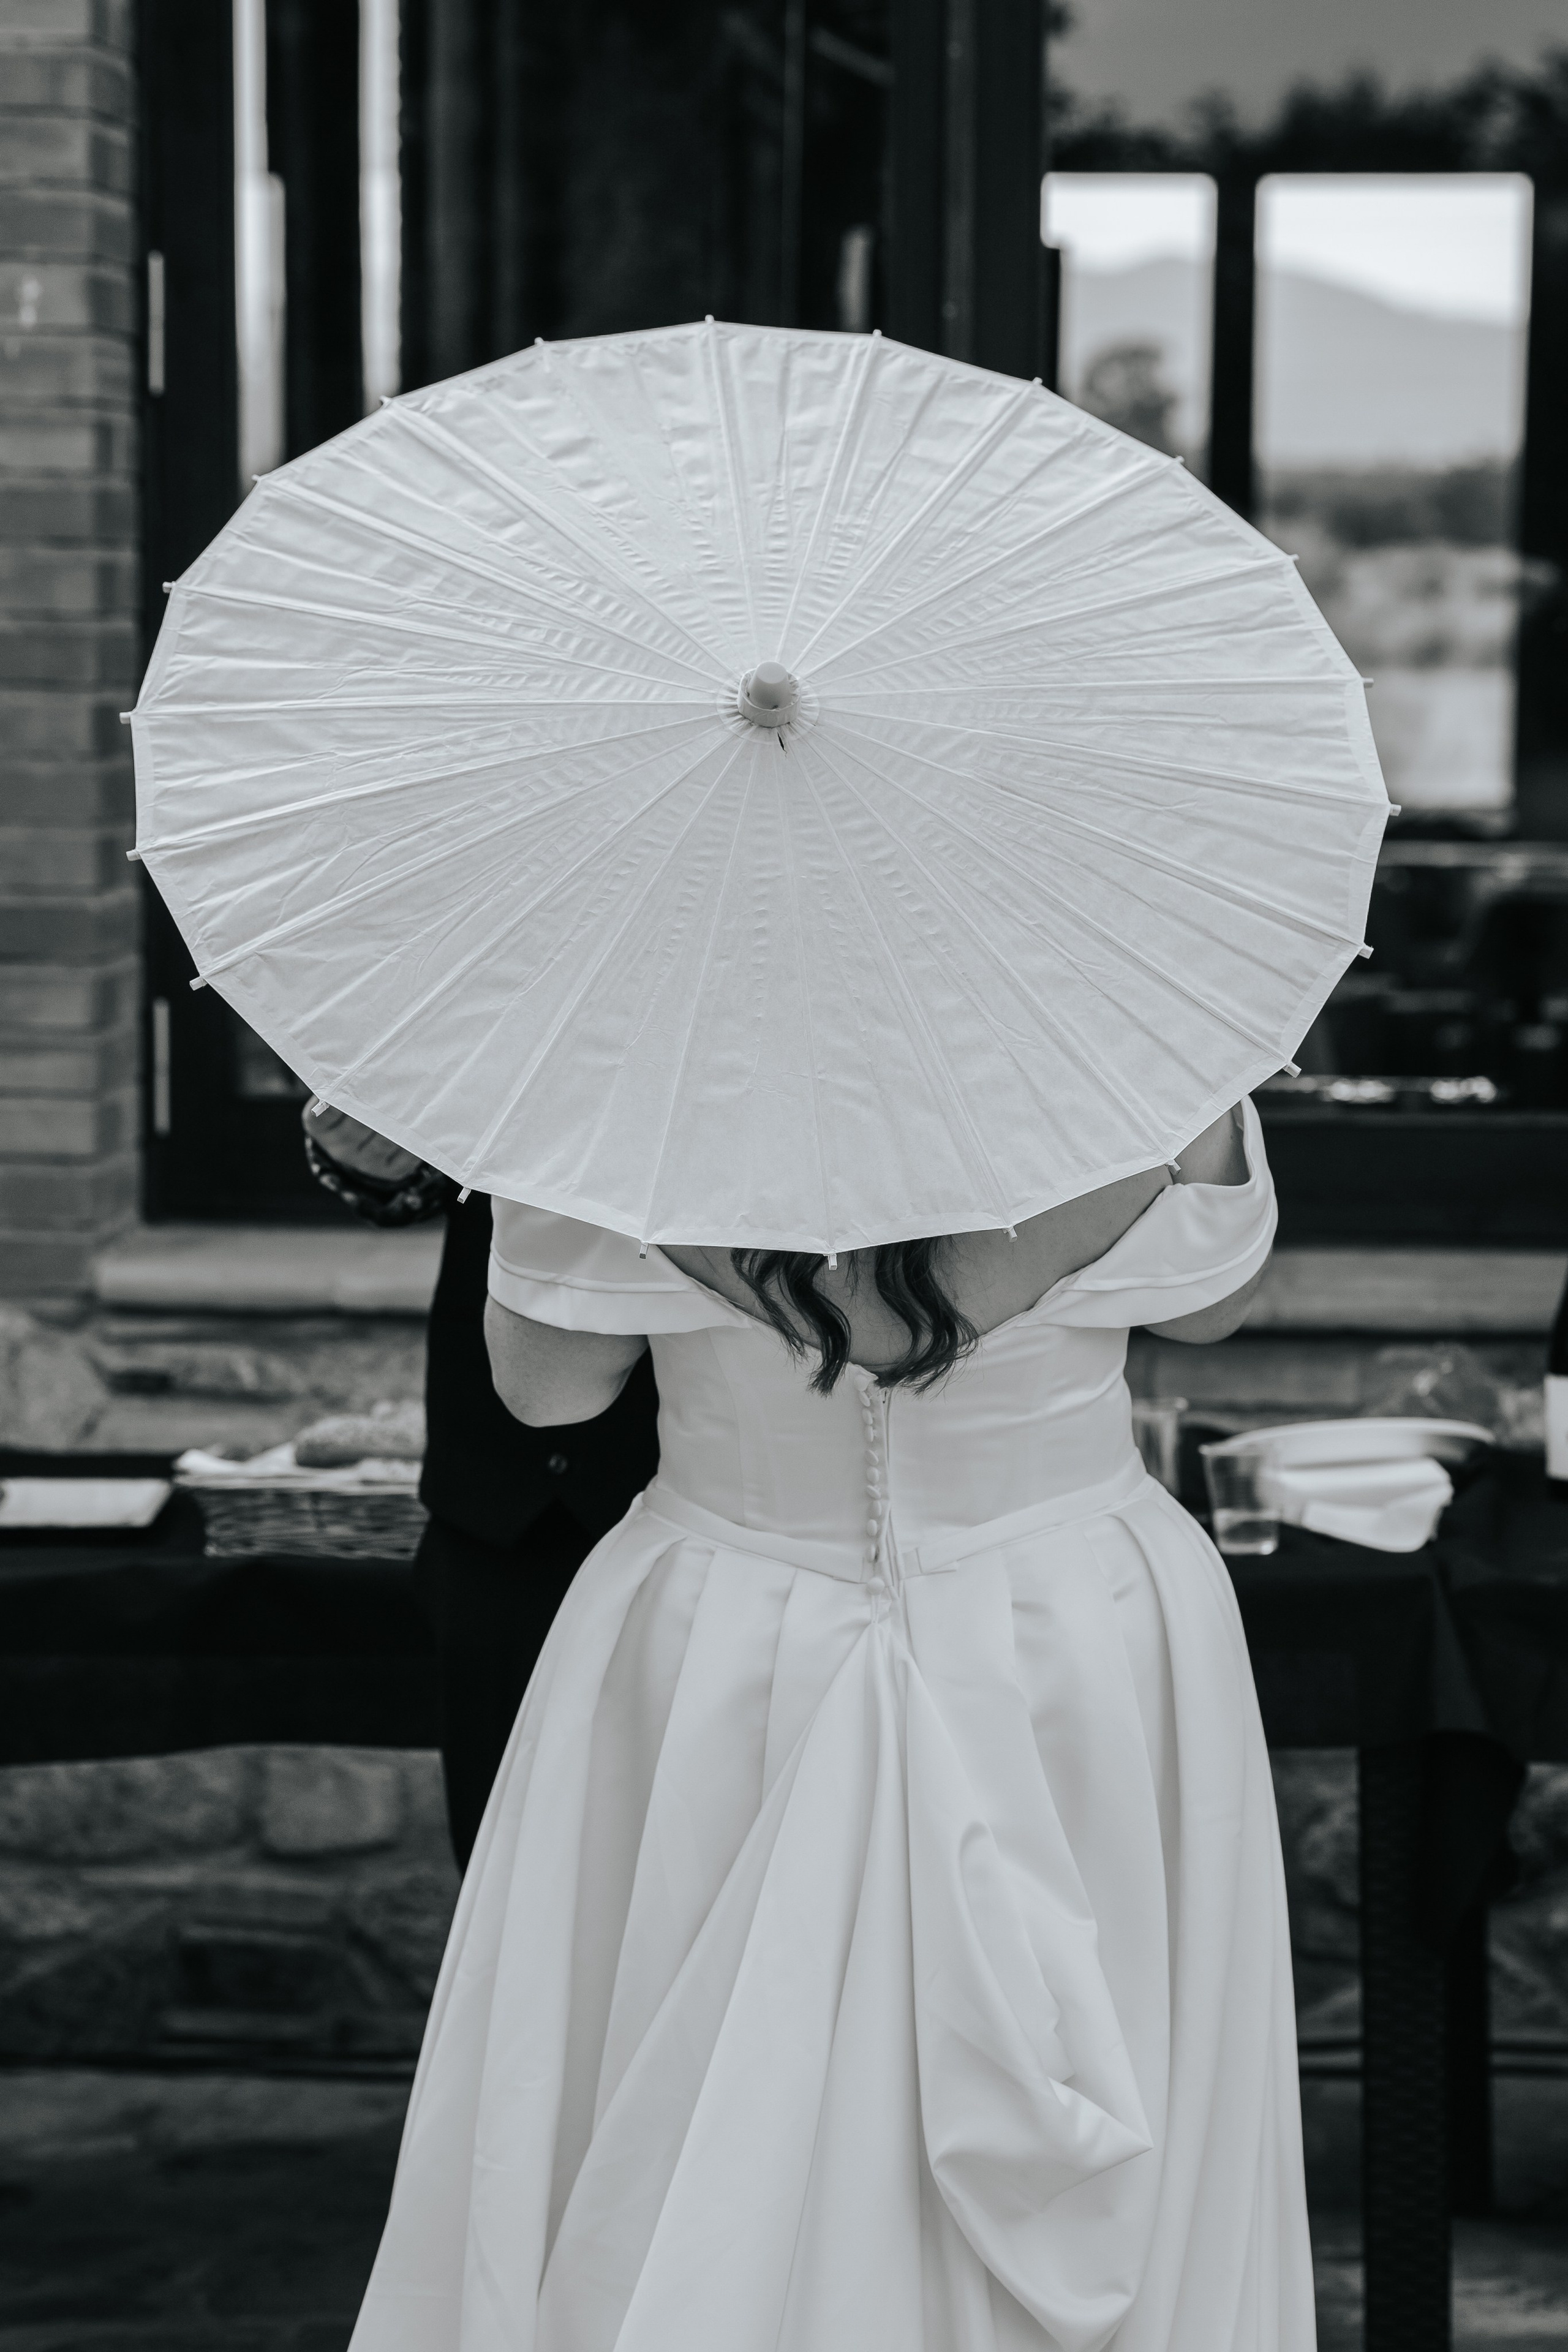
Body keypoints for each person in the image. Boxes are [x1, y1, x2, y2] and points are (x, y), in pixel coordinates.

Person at [348, 1096, 1314, 2351]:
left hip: (732, 1629)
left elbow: (546, 1392)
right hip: (1071, 1625)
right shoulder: (1116, 1049)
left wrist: (555, 1156)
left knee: (692, 2099)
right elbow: (1209, 1299)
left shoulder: (639, 1078)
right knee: (1117, 2037)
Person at [303, 1105, 658, 1864]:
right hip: (497, 1500)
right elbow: (420, 1178)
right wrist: (369, 1158)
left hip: (691, 1480)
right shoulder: (503, 992)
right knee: (501, 1847)